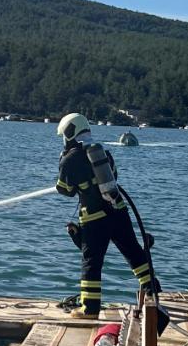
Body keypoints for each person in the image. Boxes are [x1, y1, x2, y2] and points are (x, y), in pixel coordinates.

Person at [55, 113, 159, 319]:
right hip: (119, 211)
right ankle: (152, 290)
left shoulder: (70, 159)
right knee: (134, 252)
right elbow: (114, 177)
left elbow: (65, 190)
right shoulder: (103, 151)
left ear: (69, 132)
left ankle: (89, 309)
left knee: (91, 263)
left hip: (94, 219)